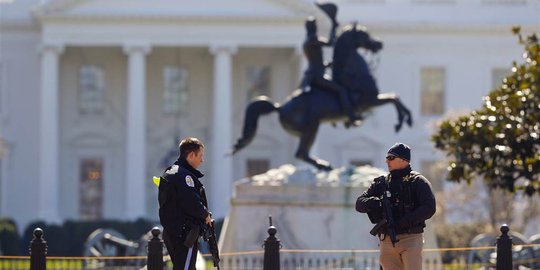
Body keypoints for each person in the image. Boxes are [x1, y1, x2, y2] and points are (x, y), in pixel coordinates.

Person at [356, 143, 436, 270]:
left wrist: (404, 222)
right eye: (387, 157)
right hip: (387, 241)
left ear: (404, 160)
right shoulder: (382, 183)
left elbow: (429, 207)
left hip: (410, 239)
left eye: (391, 158)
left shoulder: (418, 181)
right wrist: (376, 202)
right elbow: (359, 203)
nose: (387, 161)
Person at [158, 137, 212, 270]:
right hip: (185, 235)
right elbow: (192, 203)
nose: (202, 160)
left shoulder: (170, 172)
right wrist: (206, 215)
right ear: (191, 155)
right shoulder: (185, 176)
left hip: (172, 232)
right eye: (200, 155)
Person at [299, 16, 363, 125]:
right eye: (314, 26)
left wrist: (327, 64)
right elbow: (331, 43)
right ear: (312, 27)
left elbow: (315, 62)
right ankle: (350, 116)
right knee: (341, 90)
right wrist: (333, 26)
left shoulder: (307, 41)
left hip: (314, 74)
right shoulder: (313, 40)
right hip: (317, 76)